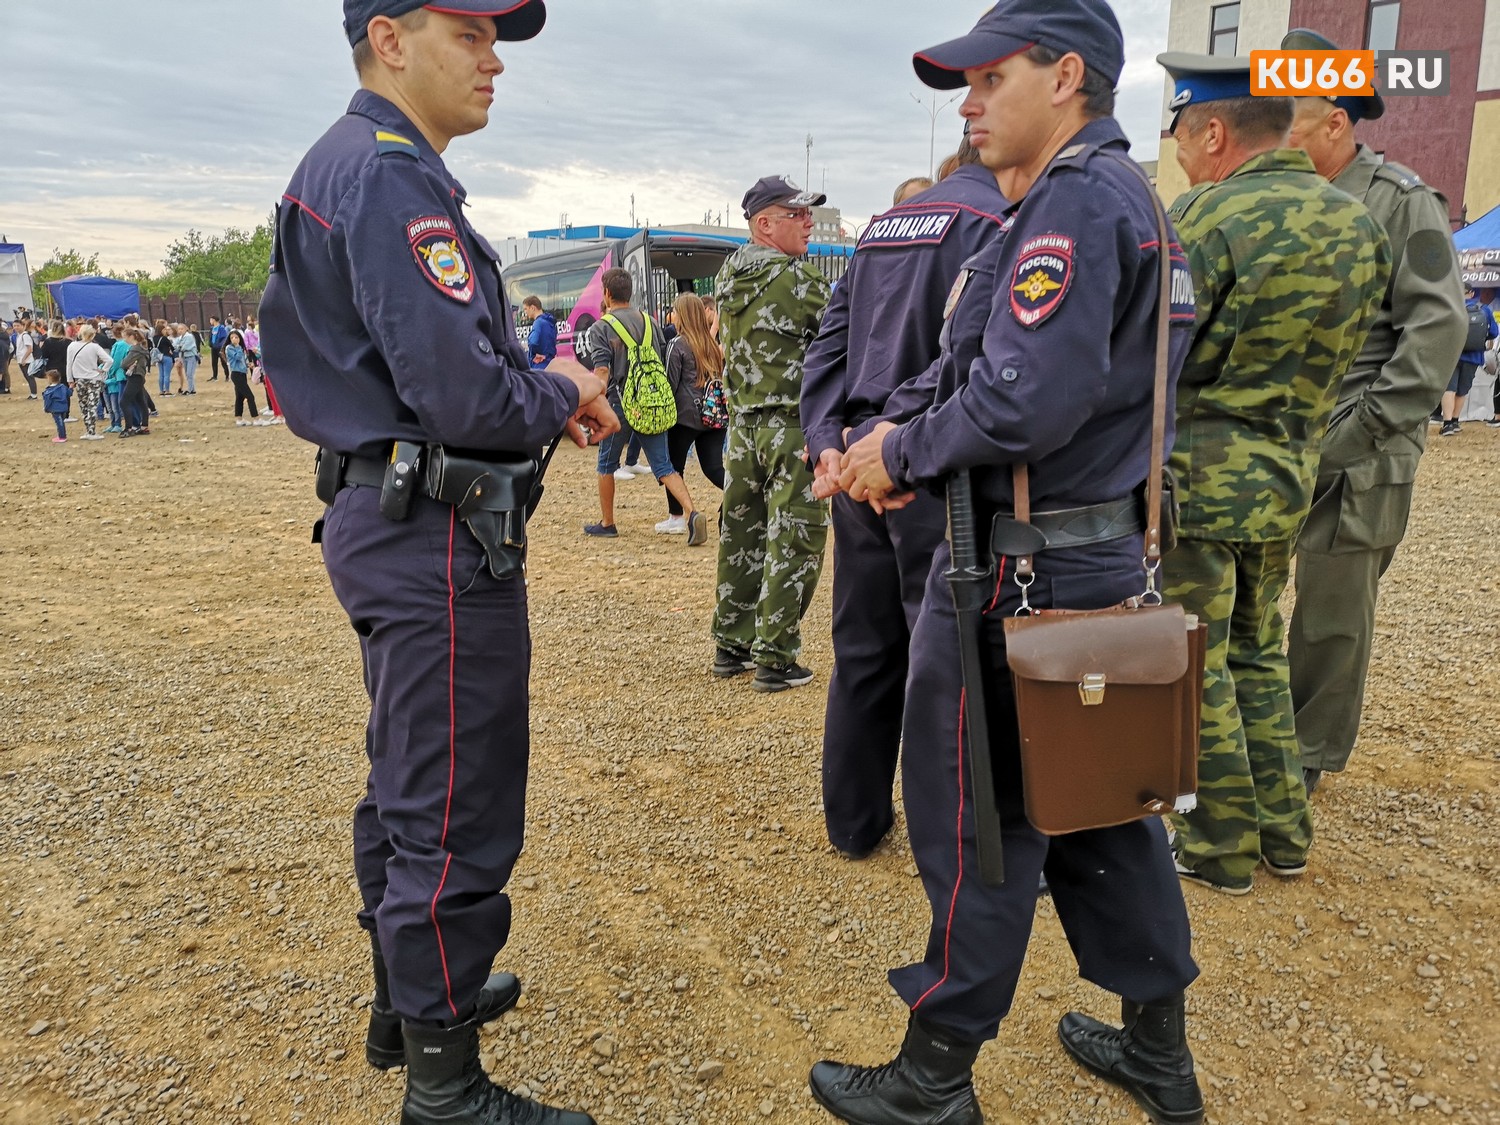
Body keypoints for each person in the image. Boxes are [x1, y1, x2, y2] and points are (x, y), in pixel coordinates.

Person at [817, 5, 1205, 1122]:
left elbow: (1023, 396)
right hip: (1084, 563)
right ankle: (1158, 1051)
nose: (968, 103)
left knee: (978, 821)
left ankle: (935, 1075)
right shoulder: (1110, 200)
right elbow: (981, 375)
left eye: (991, 78)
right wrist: (882, 449)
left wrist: (900, 448)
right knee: (1105, 807)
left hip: (1017, 575)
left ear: (1068, 76)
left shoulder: (1076, 205)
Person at [258, 3, 614, 1122]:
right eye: (469, 32)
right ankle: (446, 1087)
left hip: (401, 520)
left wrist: (542, 397)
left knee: (410, 782)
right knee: (452, 805)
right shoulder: (388, 175)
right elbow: (464, 395)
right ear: (391, 40)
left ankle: (408, 998)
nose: (494, 56)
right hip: (434, 536)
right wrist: (564, 392)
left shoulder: (361, 165)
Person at [1155, 51, 1390, 897]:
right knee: (1257, 650)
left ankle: (1216, 844)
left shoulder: (1202, 221)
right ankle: (1284, 832)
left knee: (1196, 657)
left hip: (1201, 484)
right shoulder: (1357, 222)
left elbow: (1158, 360)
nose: (1181, 155)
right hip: (1290, 476)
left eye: (1182, 137)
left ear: (1214, 132)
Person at [801, 135, 1009, 861]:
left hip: (857, 464)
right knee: (948, 659)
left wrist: (829, 438)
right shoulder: (1003, 223)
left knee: (863, 646)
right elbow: (983, 356)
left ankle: (854, 820)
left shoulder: (885, 227)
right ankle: (953, 838)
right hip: (931, 463)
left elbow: (829, 342)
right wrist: (886, 446)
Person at [1280, 32, 1471, 798]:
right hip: (1278, 440)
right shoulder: (1282, 202)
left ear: (1336, 120)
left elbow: (1438, 328)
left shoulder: (1401, 202)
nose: (1276, 130)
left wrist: (1362, 430)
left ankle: (1303, 757)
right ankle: (1253, 738)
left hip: (1359, 448)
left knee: (1330, 613)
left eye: (1288, 115)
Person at [710, 175, 832, 692]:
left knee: (742, 534)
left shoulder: (728, 276)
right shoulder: (797, 280)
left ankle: (731, 644)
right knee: (795, 535)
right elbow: (845, 335)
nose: (809, 223)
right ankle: (777, 657)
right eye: (797, 214)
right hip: (789, 430)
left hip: (741, 430)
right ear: (765, 224)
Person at [583, 267, 706, 543]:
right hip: (651, 402)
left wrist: (591, 401)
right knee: (663, 466)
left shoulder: (601, 328)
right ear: (630, 293)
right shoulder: (650, 322)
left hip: (618, 403)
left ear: (606, 293)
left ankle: (607, 523)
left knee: (606, 464)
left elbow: (602, 372)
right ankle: (692, 512)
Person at [659, 293, 727, 534]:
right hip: (713, 416)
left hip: (684, 417)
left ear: (683, 316)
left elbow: (670, 382)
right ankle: (741, 493)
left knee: (673, 466)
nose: (672, 315)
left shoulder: (677, 344)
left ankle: (676, 516)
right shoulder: (712, 343)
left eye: (675, 311)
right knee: (714, 468)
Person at [1437, 285, 1497, 434]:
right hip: (1474, 356)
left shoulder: (1449, 308)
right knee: (1463, 389)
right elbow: (1494, 332)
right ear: (1471, 293)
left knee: (1449, 388)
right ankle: (1456, 421)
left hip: (1451, 354)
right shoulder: (1485, 309)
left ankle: (1447, 424)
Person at [66, 323, 113, 440]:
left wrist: (70, 379)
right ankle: (91, 431)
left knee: (84, 405)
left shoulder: (72, 346)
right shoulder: (94, 347)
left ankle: (89, 430)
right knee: (92, 405)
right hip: (94, 378)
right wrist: (102, 370)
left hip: (79, 378)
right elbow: (109, 360)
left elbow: (69, 365)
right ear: (92, 335)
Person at [119, 328, 153, 437]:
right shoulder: (142, 349)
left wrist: (126, 364)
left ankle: (128, 428)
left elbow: (123, 364)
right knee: (141, 401)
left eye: (125, 337)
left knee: (124, 402)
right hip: (139, 376)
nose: (124, 340)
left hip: (134, 377)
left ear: (131, 337)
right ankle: (144, 426)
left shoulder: (134, 350)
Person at [225, 329, 260, 424]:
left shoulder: (240, 347)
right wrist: (237, 347)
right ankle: (256, 418)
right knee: (250, 396)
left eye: (236, 337)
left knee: (239, 397)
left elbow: (241, 360)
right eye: (232, 338)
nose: (234, 339)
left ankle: (239, 418)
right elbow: (237, 357)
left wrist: (248, 364)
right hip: (236, 374)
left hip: (242, 374)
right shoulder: (230, 348)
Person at [522, 295, 556, 370]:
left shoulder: (538, 323)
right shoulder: (549, 322)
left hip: (539, 365)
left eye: (526, 309)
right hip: (549, 362)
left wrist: (533, 353)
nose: (525, 312)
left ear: (533, 308)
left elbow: (533, 342)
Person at [42, 370, 70, 443]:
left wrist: (46, 408)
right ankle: (62, 435)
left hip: (55, 409)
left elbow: (47, 402)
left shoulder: (48, 391)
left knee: (59, 423)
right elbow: (69, 393)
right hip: (64, 408)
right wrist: (71, 388)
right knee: (61, 422)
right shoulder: (63, 387)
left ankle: (62, 436)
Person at [152, 319, 177, 396]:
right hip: (166, 356)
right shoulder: (164, 338)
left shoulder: (154, 338)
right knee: (167, 374)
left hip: (159, 357)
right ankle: (167, 390)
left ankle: (161, 390)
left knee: (161, 374)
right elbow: (172, 347)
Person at [176, 323, 202, 394]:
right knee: (187, 374)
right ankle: (192, 389)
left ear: (186, 329)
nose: (180, 330)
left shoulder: (189, 336)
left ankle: (190, 390)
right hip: (184, 357)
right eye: (179, 329)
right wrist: (179, 347)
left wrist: (180, 347)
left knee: (190, 373)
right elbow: (175, 346)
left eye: (182, 329)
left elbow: (185, 347)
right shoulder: (179, 338)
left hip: (191, 357)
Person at [209, 315, 228, 381]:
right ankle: (214, 376)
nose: (210, 321)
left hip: (220, 348)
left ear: (214, 320)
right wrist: (210, 343)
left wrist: (220, 345)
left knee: (223, 362)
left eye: (211, 320)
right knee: (214, 362)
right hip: (213, 348)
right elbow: (211, 337)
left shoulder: (221, 328)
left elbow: (223, 338)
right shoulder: (212, 328)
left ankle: (227, 376)